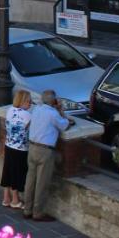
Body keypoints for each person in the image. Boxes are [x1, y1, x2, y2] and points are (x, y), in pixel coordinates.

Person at [22, 90, 71, 222]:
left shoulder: (36, 109)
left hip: (32, 147)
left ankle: (27, 209)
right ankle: (38, 213)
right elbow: (64, 125)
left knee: (30, 180)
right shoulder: (53, 113)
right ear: (53, 101)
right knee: (42, 183)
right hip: (45, 151)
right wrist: (61, 110)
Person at [1, 90, 33, 209]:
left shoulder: (10, 110)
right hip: (20, 149)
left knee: (7, 171)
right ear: (22, 101)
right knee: (17, 173)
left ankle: (6, 198)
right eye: (28, 101)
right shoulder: (27, 115)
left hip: (9, 145)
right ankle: (15, 200)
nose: (30, 104)